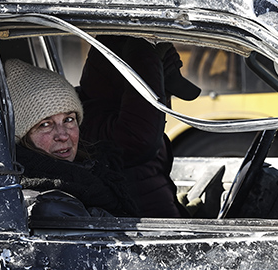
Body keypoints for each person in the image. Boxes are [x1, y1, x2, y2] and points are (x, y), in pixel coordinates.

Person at [78, 36, 200, 217]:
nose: (166, 104)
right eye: (161, 93)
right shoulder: (93, 123)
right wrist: (144, 59)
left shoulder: (126, 122)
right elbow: (139, 140)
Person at [4, 58, 137, 217]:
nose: (62, 135)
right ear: (23, 136)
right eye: (45, 124)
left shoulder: (99, 169)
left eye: (68, 120)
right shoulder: (46, 202)